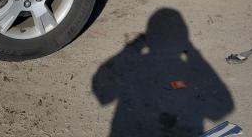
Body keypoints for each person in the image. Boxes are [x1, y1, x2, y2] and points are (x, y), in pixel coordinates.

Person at [92, 8, 234, 136]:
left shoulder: (137, 67)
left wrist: (130, 49)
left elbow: (103, 93)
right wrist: (193, 54)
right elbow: (221, 108)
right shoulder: (184, 71)